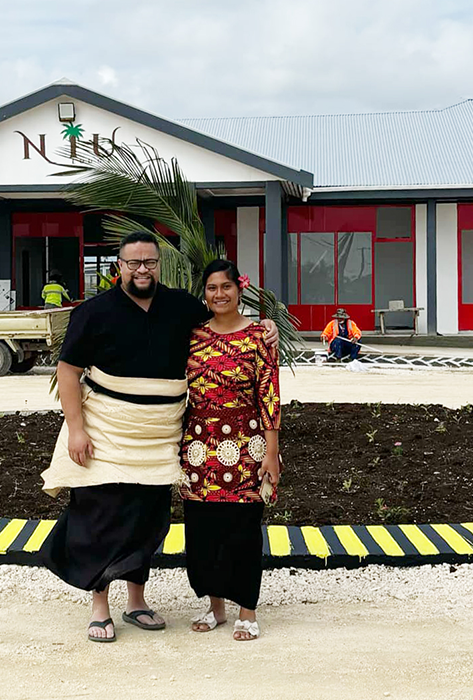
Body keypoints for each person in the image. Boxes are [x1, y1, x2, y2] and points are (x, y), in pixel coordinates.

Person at [40, 232, 278, 643]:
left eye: (149, 262)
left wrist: (266, 325)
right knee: (101, 515)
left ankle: (136, 601)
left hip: (160, 433)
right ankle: (100, 606)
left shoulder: (181, 307)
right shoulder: (93, 312)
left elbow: (226, 324)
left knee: (146, 519)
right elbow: (68, 371)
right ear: (120, 267)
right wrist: (76, 428)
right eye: (133, 263)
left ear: (158, 265)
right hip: (107, 428)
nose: (142, 269)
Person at [181, 259, 281, 642]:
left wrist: (271, 453)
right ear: (203, 293)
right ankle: (215, 606)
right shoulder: (191, 335)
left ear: (240, 289)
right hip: (198, 447)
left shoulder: (260, 337)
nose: (218, 294)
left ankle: (247, 610)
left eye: (226, 287)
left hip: (248, 444)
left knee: (242, 530)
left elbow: (269, 396)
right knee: (203, 530)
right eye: (211, 288)